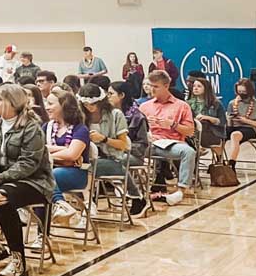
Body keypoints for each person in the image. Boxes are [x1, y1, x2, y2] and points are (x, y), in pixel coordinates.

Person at [0, 83, 52, 276]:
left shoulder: (31, 128)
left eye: (0, 99)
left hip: (33, 182)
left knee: (1, 198)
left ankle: (18, 259)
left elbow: (28, 164)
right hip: (1, 180)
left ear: (14, 102)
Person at [84, 81, 145, 216]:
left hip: (112, 158)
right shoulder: (82, 116)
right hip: (88, 157)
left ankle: (88, 201)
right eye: (85, 104)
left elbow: (123, 145)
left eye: (92, 103)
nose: (89, 107)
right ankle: (84, 200)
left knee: (85, 167)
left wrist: (103, 139)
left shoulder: (116, 115)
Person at [139, 69, 196, 205]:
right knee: (127, 149)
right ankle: (131, 190)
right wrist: (146, 132)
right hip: (149, 143)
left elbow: (189, 131)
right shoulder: (144, 106)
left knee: (189, 152)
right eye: (150, 86)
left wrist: (173, 125)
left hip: (171, 143)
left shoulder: (182, 106)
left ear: (166, 86)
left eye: (156, 87)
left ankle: (181, 190)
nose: (152, 90)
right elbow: (135, 130)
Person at [44, 86, 91, 223]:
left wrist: (48, 150)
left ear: (64, 106)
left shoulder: (80, 129)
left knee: (46, 177)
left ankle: (60, 205)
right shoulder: (47, 127)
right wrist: (60, 151)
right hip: (52, 169)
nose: (47, 107)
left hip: (76, 173)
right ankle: (61, 206)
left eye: (51, 104)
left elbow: (72, 155)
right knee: (39, 178)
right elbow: (38, 150)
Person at [224, 77, 256, 171]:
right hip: (234, 126)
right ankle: (219, 161)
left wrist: (245, 120)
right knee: (220, 133)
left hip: (250, 128)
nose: (241, 94)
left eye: (244, 91)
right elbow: (229, 123)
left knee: (235, 135)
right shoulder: (232, 103)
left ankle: (231, 163)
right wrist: (229, 119)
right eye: (239, 91)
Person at [186, 77, 225, 151]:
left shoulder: (216, 104)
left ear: (206, 88)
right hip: (191, 132)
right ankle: (196, 147)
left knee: (202, 123)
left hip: (212, 133)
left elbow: (222, 122)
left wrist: (207, 118)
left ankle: (196, 147)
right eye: (194, 86)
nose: (195, 88)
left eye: (199, 86)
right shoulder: (187, 103)